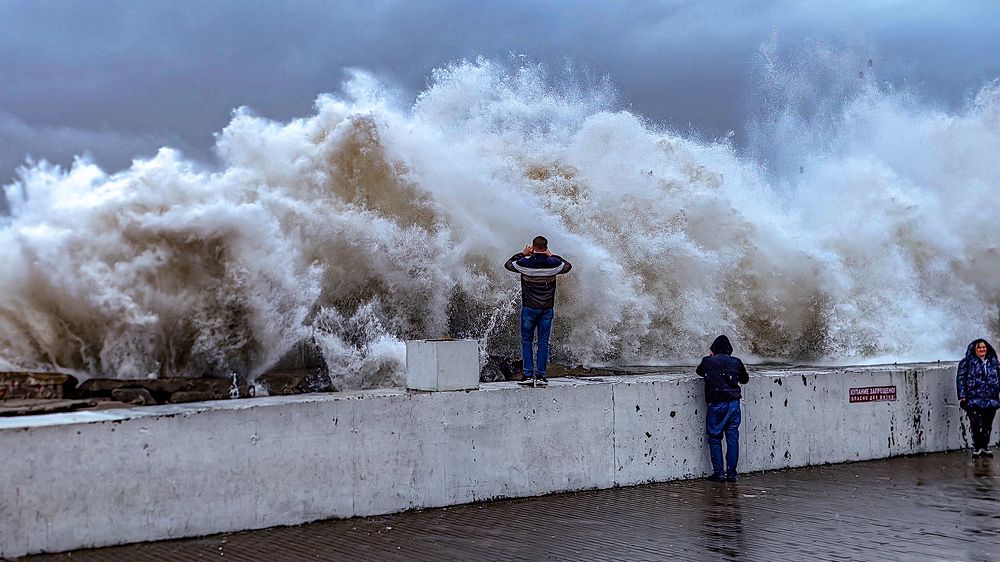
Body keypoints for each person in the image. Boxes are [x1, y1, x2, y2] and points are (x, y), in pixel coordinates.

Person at [504, 236, 572, 387]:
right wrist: (551, 255)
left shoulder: (524, 263)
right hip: (546, 309)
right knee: (543, 342)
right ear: (546, 247)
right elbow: (567, 266)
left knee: (527, 341)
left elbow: (508, 264)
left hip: (529, 308)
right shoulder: (554, 264)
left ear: (533, 248)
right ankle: (541, 376)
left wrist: (523, 254)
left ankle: (528, 375)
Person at [696, 335, 750, 482]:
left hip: (717, 403)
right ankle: (731, 474)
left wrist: (710, 357)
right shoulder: (736, 362)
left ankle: (719, 473)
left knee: (714, 437)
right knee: (732, 437)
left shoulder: (708, 361)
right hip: (734, 403)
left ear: (713, 349)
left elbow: (699, 372)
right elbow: (745, 379)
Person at [956, 338, 1000, 458]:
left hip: (991, 398)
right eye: (979, 348)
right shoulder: (967, 362)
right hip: (974, 398)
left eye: (984, 347)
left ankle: (985, 447)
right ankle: (977, 447)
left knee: (987, 424)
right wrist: (962, 396)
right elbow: (960, 379)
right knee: (975, 424)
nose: (982, 349)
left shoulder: (993, 361)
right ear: (974, 350)